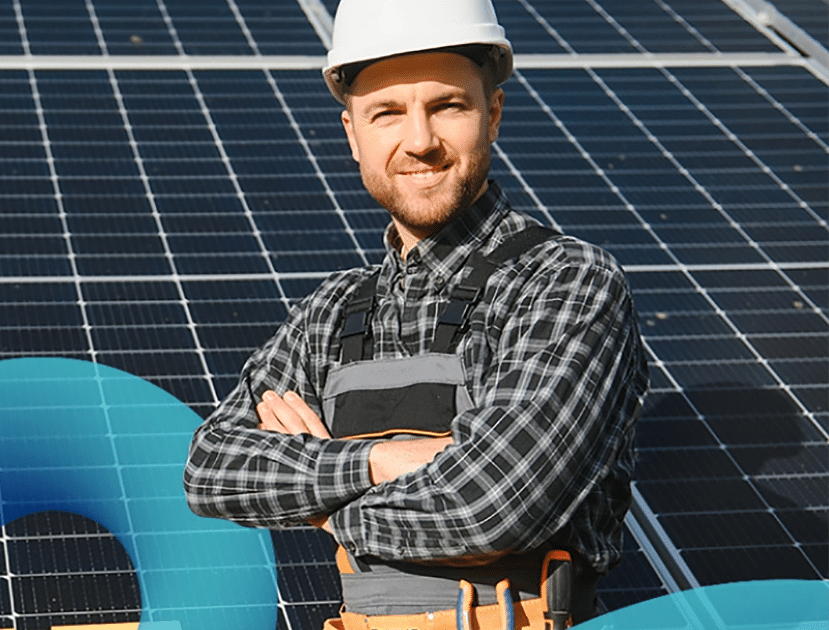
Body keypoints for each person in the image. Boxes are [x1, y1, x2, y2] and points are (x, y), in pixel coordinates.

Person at [183, 0, 649, 627]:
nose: (421, 141)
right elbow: (213, 468)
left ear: (493, 115)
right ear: (353, 135)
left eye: (447, 106)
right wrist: (384, 460)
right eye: (387, 113)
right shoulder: (331, 310)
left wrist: (323, 506)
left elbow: (489, 504)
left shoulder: (565, 281)